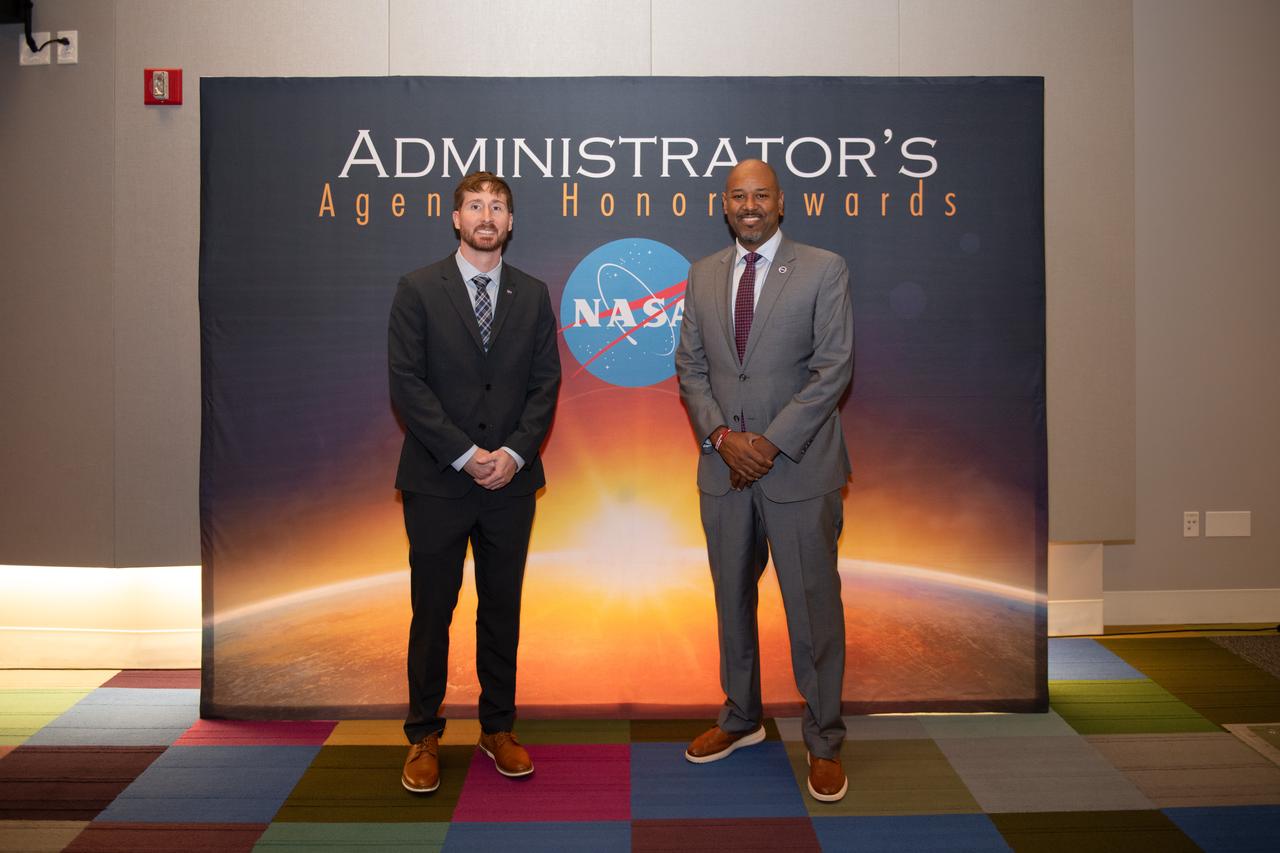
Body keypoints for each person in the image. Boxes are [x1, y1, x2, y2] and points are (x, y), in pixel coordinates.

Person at [674, 159, 854, 802]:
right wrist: (723, 439)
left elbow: (833, 369)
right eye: (737, 196)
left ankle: (825, 740)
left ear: (782, 203)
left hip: (799, 470)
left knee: (813, 611)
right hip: (724, 472)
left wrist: (769, 443)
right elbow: (690, 368)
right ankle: (742, 718)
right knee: (732, 601)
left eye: (760, 196)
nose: (749, 206)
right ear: (724, 206)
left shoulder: (823, 267)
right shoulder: (702, 275)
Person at [388, 171, 560, 793]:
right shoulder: (417, 290)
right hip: (438, 480)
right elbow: (407, 384)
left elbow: (546, 385)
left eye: (498, 207)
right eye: (475, 206)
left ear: (511, 222)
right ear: (455, 218)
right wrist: (466, 453)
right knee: (432, 611)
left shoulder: (534, 295)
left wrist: (513, 453)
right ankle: (424, 736)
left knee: (501, 609)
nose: (487, 216)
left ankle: (497, 728)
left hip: (511, 484)